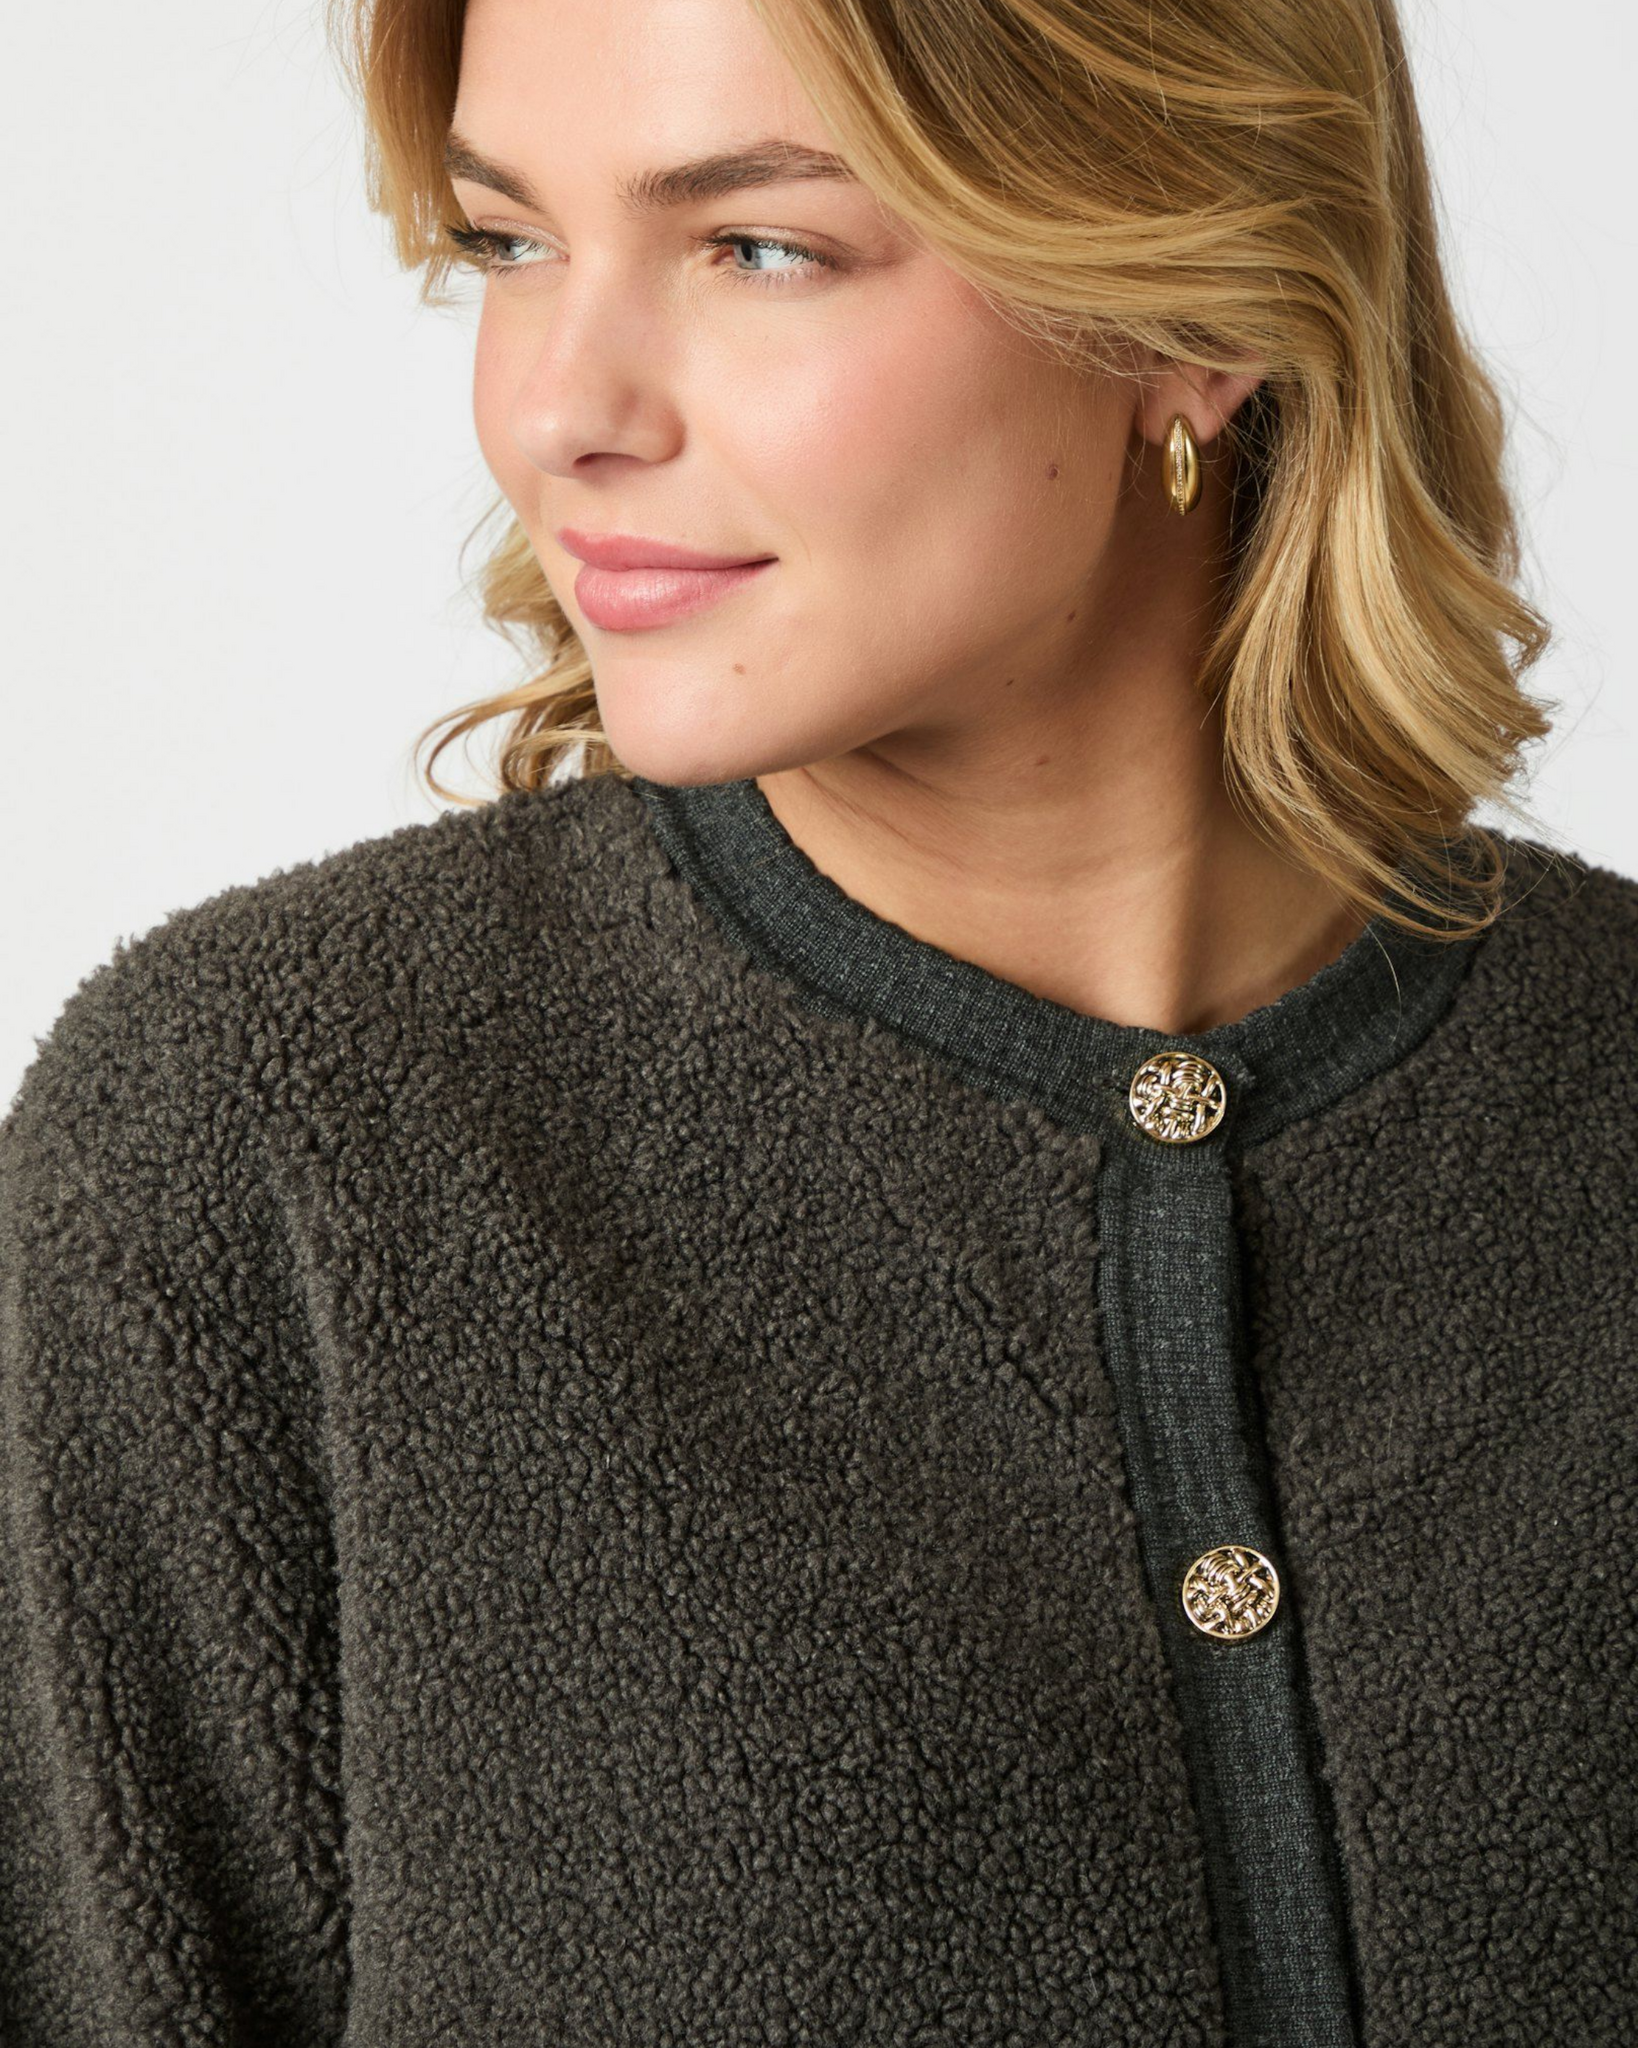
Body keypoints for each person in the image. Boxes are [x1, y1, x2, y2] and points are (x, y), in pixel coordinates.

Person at [2, 0, 1632, 2040]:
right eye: (511, 242)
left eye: (758, 247)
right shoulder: (261, 1145)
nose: (559, 409)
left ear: (1194, 310)